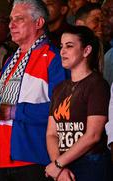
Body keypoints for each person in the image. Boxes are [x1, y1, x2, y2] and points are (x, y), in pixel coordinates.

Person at [0, 0, 67, 180]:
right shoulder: (11, 60)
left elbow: (62, 111)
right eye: (10, 19)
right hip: (1, 158)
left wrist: (12, 111)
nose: (11, 25)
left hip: (33, 158)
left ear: (39, 23)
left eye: (19, 19)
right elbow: (3, 107)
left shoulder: (54, 58)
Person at [46, 25, 112, 181]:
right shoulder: (59, 88)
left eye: (69, 46)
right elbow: (51, 134)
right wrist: (59, 167)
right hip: (65, 167)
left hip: (91, 165)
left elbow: (93, 135)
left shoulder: (97, 84)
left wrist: (58, 164)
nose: (62, 51)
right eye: (61, 46)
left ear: (86, 51)